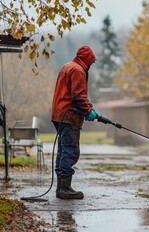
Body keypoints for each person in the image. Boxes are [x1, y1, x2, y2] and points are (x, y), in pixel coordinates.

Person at [51, 45, 98, 199]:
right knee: (70, 151)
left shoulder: (68, 66)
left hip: (60, 115)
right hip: (69, 116)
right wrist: (88, 111)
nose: (91, 65)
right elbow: (78, 97)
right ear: (86, 59)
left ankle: (61, 188)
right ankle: (65, 188)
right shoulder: (78, 70)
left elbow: (76, 95)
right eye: (91, 62)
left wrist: (89, 108)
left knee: (63, 151)